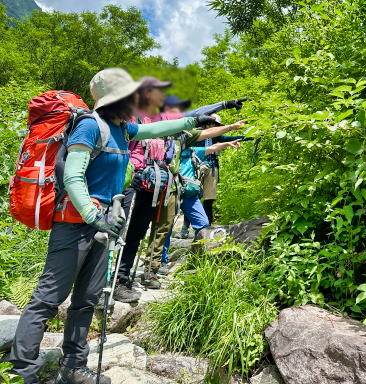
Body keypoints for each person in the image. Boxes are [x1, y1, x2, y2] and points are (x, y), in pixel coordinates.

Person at [9, 68, 217, 384]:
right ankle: (22, 372)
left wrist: (193, 121)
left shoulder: (122, 129)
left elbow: (155, 129)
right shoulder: (90, 126)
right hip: (75, 226)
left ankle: (73, 367)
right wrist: (94, 217)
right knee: (48, 299)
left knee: (86, 300)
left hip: (104, 227)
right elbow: (73, 177)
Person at [112, 79, 245, 300]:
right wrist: (224, 105)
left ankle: (124, 278)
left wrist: (229, 124)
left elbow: (199, 126)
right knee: (122, 232)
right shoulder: (132, 117)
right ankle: (110, 279)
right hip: (133, 182)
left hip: (157, 184)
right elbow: (196, 117)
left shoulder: (171, 124)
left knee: (140, 232)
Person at [159, 134, 242, 270]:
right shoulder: (168, 151)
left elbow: (213, 147)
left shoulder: (193, 151)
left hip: (190, 194)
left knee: (203, 224)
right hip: (172, 192)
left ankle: (201, 256)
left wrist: (228, 143)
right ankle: (161, 260)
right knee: (166, 227)